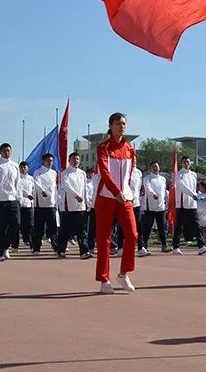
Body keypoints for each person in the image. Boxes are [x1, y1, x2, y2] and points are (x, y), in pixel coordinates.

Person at [93, 113, 139, 294]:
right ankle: (104, 279)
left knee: (133, 235)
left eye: (124, 123)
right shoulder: (103, 147)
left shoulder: (129, 148)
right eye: (119, 123)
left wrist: (128, 193)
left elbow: (130, 174)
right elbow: (105, 172)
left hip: (124, 198)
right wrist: (115, 191)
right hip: (106, 197)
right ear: (110, 125)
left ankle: (123, 273)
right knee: (104, 240)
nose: (122, 126)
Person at [0, 143, 21, 262]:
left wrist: (18, 197)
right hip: (0, 201)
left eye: (9, 150)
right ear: (0, 152)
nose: (7, 153)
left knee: (16, 224)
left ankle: (6, 246)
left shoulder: (15, 166)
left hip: (12, 200)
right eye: (4, 151)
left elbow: (17, 183)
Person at [172, 156, 206, 255]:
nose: (186, 163)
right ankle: (175, 247)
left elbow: (193, 188)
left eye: (188, 162)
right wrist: (193, 195)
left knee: (196, 225)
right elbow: (182, 187)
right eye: (184, 162)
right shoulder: (179, 175)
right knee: (179, 227)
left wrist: (195, 196)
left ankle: (201, 246)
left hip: (192, 204)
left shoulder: (193, 175)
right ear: (181, 163)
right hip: (182, 204)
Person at [56, 152, 90, 259]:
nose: (76, 161)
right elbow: (66, 186)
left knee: (81, 230)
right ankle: (61, 250)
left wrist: (87, 202)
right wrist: (76, 196)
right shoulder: (65, 173)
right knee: (65, 229)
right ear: (69, 160)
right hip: (68, 206)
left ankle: (84, 251)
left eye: (77, 159)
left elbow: (84, 189)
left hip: (80, 206)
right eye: (74, 159)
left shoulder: (82, 173)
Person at [139, 161, 168, 255]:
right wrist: (153, 194)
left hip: (160, 207)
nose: (155, 168)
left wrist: (164, 203)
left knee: (162, 227)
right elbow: (147, 188)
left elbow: (164, 192)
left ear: (159, 168)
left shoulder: (163, 179)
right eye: (153, 167)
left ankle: (164, 245)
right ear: (150, 168)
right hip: (149, 207)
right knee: (147, 228)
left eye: (157, 166)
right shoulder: (147, 178)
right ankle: (144, 246)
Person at [31, 154, 59, 254]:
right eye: (48, 160)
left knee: (53, 228)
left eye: (51, 161)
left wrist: (56, 201)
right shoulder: (37, 172)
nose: (50, 162)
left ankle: (56, 247)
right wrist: (42, 191)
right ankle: (36, 248)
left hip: (51, 204)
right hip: (40, 204)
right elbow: (36, 183)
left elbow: (55, 188)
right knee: (39, 228)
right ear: (43, 161)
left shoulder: (54, 173)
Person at [16, 162, 35, 251]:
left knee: (29, 224)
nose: (23, 169)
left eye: (25, 167)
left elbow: (33, 190)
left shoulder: (31, 179)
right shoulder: (17, 178)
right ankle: (15, 243)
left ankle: (28, 240)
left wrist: (31, 196)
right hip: (19, 203)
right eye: (22, 167)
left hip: (29, 204)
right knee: (18, 224)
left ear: (28, 168)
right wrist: (26, 195)